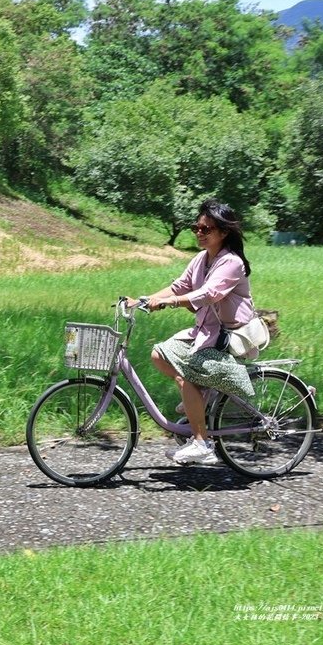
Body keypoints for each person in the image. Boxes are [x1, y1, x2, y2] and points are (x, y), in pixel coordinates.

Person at [134, 199, 257, 466]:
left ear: (224, 232)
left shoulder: (231, 262)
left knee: (189, 373)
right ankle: (198, 399)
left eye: (206, 229)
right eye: (196, 228)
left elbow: (210, 293)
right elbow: (179, 286)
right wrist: (142, 300)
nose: (199, 233)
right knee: (159, 354)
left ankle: (202, 443)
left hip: (230, 335)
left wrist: (171, 302)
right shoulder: (202, 259)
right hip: (205, 331)